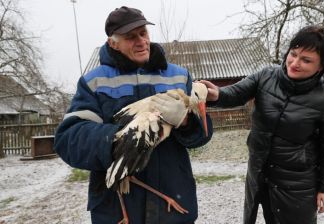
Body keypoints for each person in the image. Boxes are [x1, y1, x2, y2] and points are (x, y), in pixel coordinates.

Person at [54, 6, 212, 224]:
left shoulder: (179, 75)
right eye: (130, 37)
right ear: (113, 43)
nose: (141, 41)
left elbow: (201, 136)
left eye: (143, 33)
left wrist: (185, 121)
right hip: (116, 212)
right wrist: (121, 140)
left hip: (173, 209)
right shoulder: (93, 82)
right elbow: (68, 139)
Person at [200, 25, 324, 224]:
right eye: (293, 54)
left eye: (306, 60)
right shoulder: (266, 75)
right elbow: (236, 93)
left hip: (297, 183)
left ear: (321, 66)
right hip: (260, 173)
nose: (295, 62)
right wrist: (217, 93)